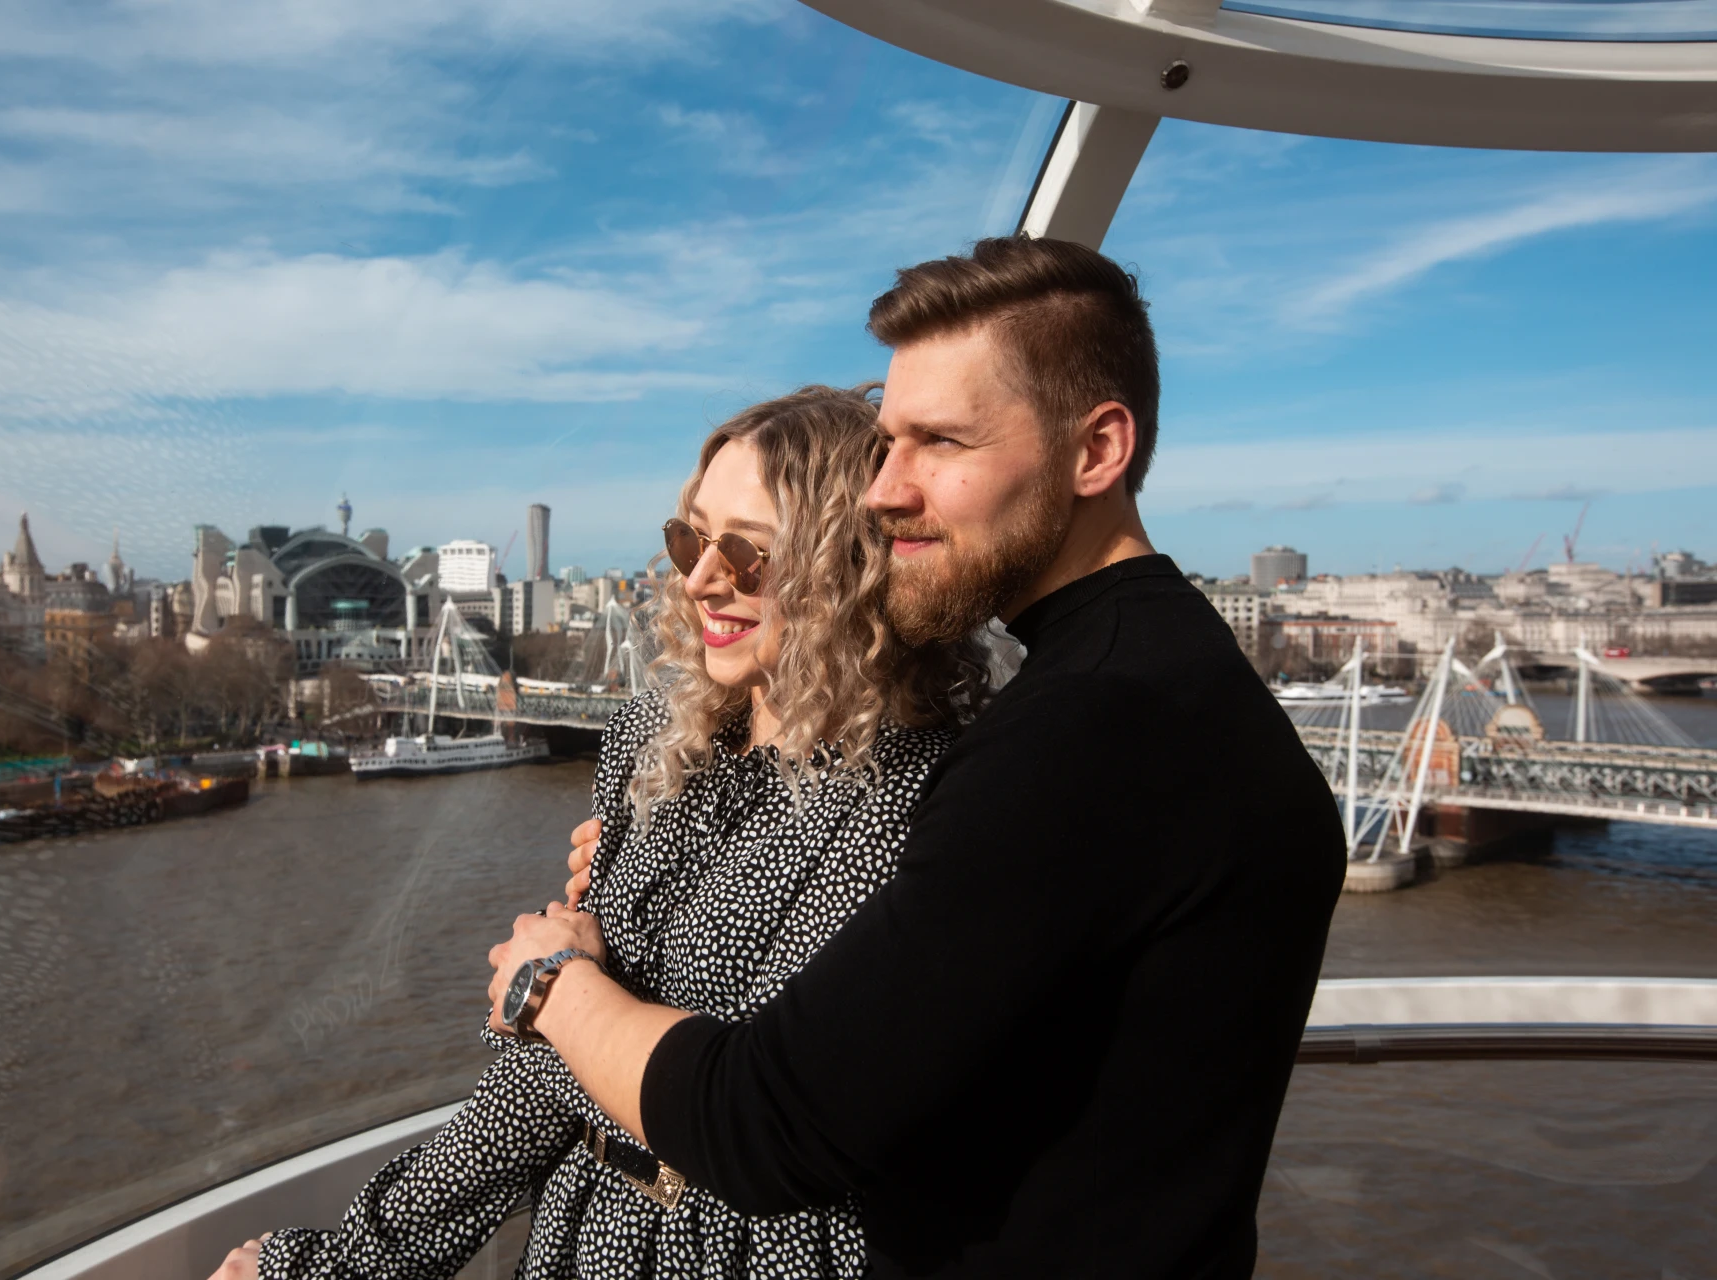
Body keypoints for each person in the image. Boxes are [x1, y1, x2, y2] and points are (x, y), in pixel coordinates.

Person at [486, 235, 1346, 1278]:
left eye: (938, 442)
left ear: (1097, 450)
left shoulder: (1092, 726)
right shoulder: (1157, 675)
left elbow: (772, 1122)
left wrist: (556, 981)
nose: (885, 490)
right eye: (887, 442)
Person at [210, 385, 990, 1280]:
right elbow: (551, 1073)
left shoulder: (916, 802)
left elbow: (760, 1108)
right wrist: (351, 1263)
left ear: (849, 565)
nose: (700, 577)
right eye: (692, 537)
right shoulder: (659, 740)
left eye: (749, 550)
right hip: (587, 1234)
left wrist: (559, 986)